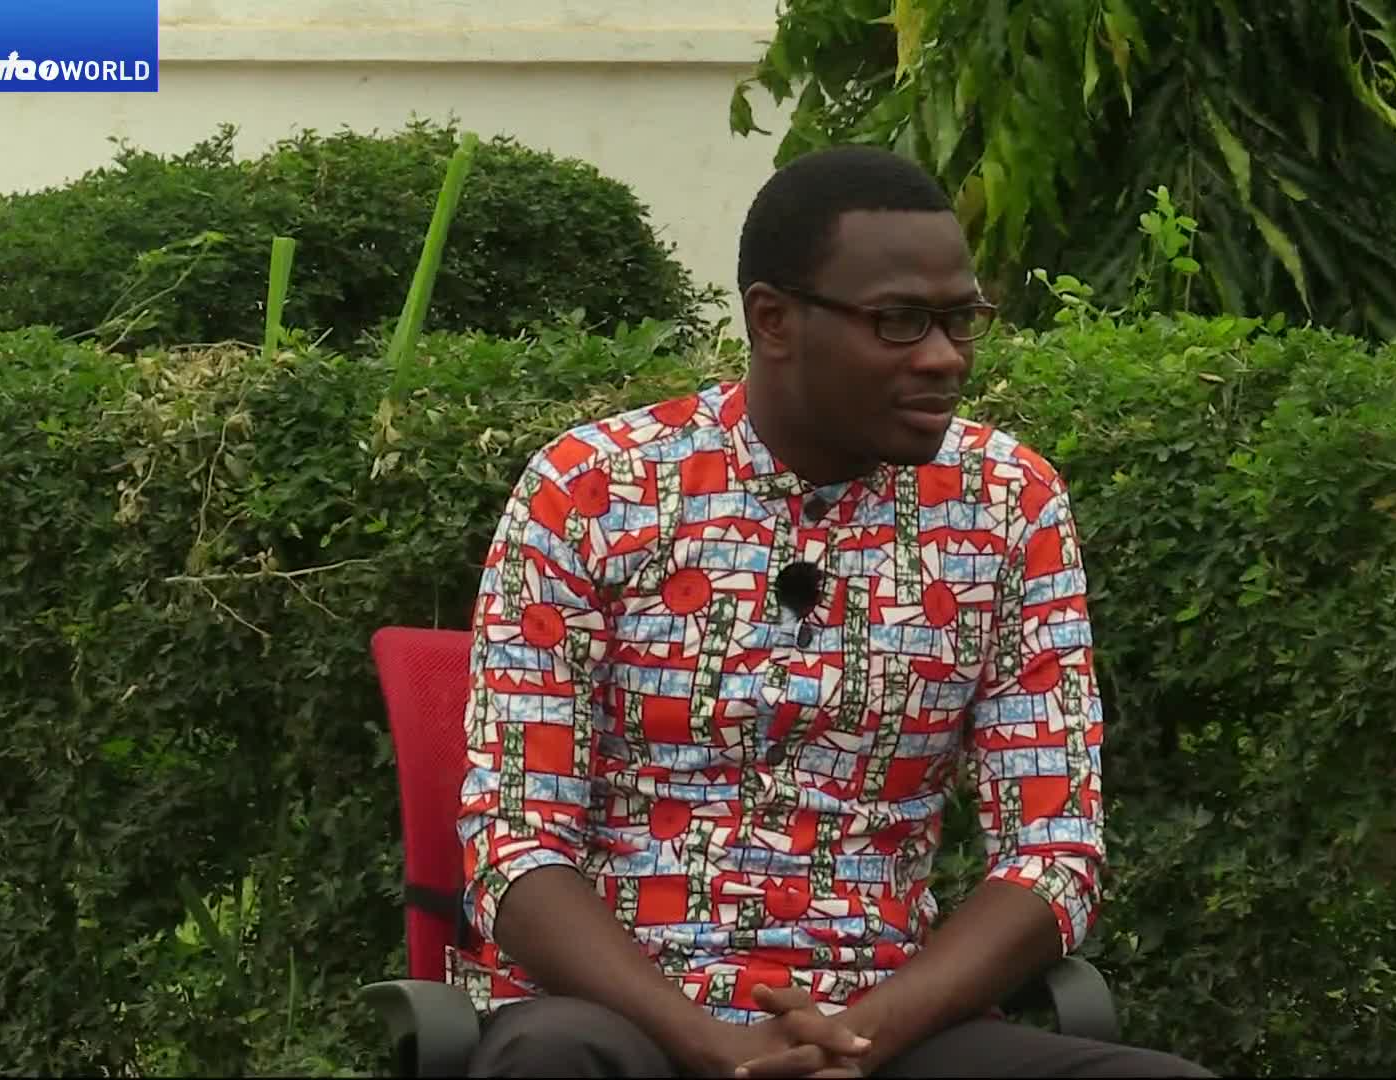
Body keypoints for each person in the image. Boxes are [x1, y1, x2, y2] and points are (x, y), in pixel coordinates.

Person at [452, 144, 1214, 1079]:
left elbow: (1053, 853)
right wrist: (719, 1050)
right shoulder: (593, 491)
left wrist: (856, 1040)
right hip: (620, 1018)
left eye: (960, 320)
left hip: (886, 1022)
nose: (943, 357)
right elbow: (514, 844)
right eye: (899, 322)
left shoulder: (1009, 504)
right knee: (553, 1061)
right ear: (773, 319)